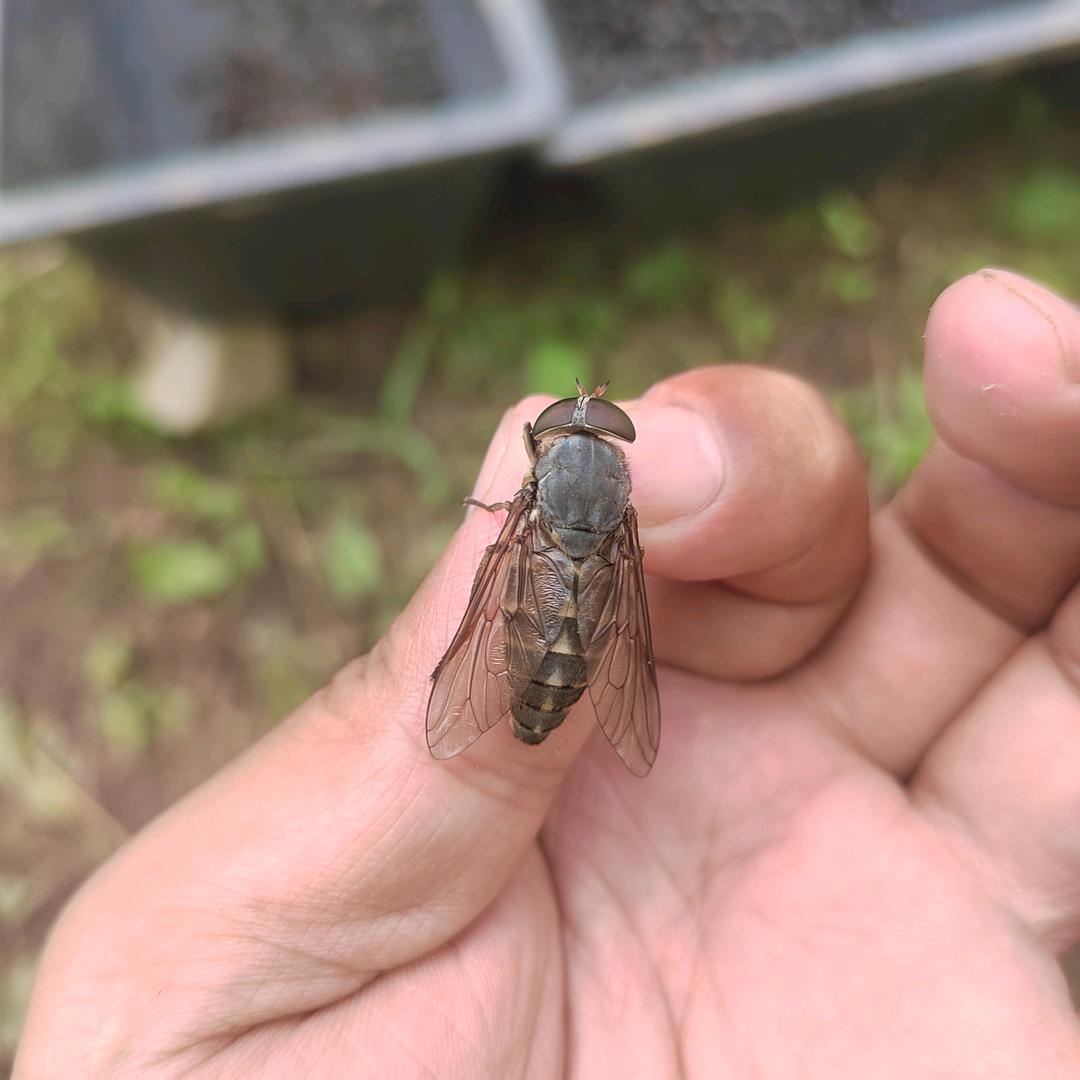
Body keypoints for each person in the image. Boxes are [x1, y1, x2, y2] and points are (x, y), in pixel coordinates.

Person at [15, 269, 1080, 1077]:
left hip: (535, 622)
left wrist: (516, 547)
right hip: (575, 637)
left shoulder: (531, 501)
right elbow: (617, 607)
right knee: (584, 625)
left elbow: (498, 580)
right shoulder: (620, 516)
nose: (582, 419)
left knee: (511, 602)